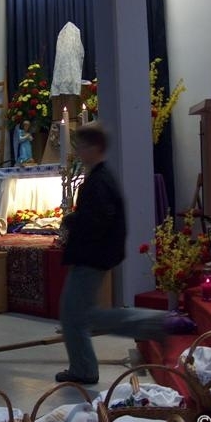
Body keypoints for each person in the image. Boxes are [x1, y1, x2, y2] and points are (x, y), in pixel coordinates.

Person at [56, 121, 166, 384]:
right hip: (94, 255)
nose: (78, 151)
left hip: (91, 256)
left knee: (77, 315)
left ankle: (157, 323)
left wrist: (72, 221)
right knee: (79, 315)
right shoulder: (100, 177)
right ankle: (84, 367)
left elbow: (99, 221)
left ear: (95, 147)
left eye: (82, 146)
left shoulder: (100, 181)